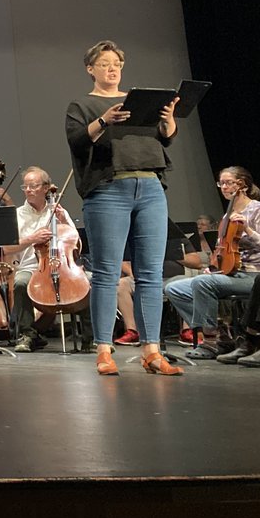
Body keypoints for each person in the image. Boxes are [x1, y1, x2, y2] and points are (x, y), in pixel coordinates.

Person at [66, 39, 181, 376]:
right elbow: (76, 140)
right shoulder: (82, 104)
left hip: (150, 186)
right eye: (104, 63)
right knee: (107, 273)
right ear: (91, 69)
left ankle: (153, 351)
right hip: (108, 189)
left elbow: (164, 138)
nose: (111, 68)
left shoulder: (138, 101)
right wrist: (103, 120)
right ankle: (104, 349)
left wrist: (169, 121)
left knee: (150, 274)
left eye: (116, 62)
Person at [166, 166, 260, 359]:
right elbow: (224, 251)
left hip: (257, 275)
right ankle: (223, 334)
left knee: (202, 283)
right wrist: (213, 268)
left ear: (243, 185)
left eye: (229, 182)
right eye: (221, 183)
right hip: (232, 273)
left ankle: (211, 342)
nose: (224, 187)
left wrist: (249, 230)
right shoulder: (226, 215)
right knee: (174, 289)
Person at [8, 167, 81, 353]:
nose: (28, 190)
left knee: (87, 282)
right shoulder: (16, 215)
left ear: (46, 188)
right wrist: (31, 239)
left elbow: (76, 243)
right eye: (25, 186)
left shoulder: (56, 211)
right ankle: (28, 334)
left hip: (62, 266)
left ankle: (90, 338)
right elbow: (6, 248)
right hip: (32, 268)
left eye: (33, 186)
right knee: (20, 282)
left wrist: (64, 220)